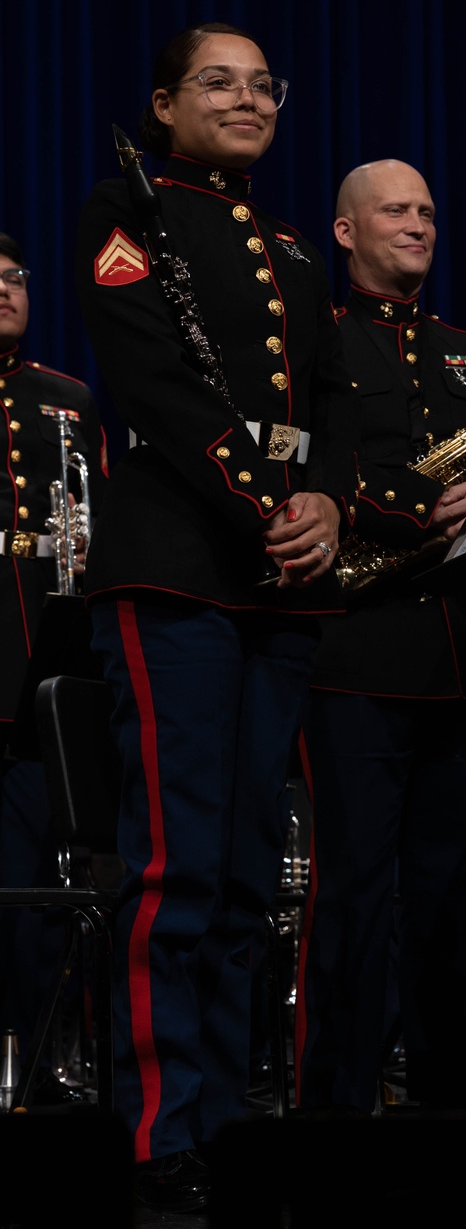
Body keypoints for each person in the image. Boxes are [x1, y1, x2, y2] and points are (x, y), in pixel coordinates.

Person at [75, 23, 357, 1208]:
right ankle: (157, 1134)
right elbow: (153, 383)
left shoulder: (292, 244)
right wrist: (265, 503)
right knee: (173, 866)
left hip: (280, 580)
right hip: (183, 565)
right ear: (164, 103)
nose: (246, 101)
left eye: (262, 87)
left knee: (248, 872)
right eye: (218, 83)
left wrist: (332, 502)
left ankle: (226, 1122)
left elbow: (331, 397)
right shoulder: (126, 212)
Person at [294, 159, 466, 1115]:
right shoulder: (309, 339)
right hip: (361, 648)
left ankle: (450, 1094)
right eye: (395, 210)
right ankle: (336, 1102)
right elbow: (297, 462)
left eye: (428, 211)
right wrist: (414, 507)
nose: (418, 224)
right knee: (353, 894)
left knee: (455, 890)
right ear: (345, 231)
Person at [0, 231, 107, 1103]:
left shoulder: (66, 398)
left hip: (40, 678)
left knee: (36, 890)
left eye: (13, 278)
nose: (4, 289)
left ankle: (35, 1071)